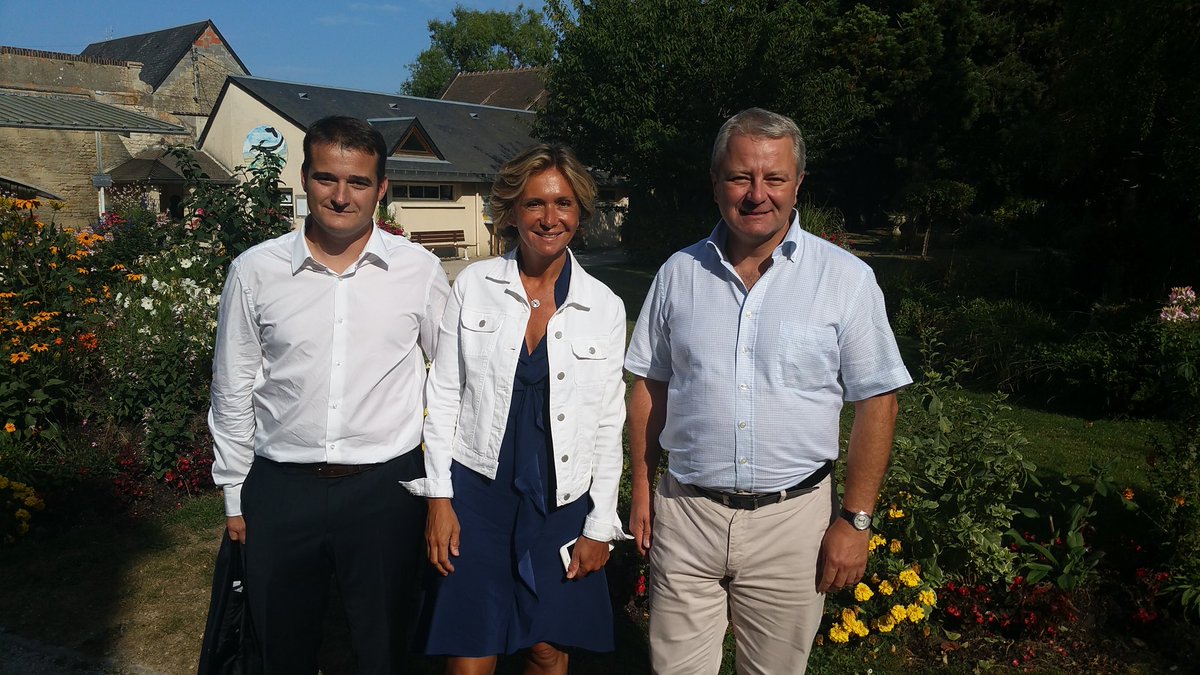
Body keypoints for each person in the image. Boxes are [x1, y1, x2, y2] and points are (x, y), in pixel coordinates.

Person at [624, 107, 912, 675]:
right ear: (716, 184)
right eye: (740, 177)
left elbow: (878, 401)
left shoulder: (845, 279)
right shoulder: (677, 275)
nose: (758, 194)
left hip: (792, 523)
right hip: (686, 512)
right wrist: (640, 485)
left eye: (774, 178)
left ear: (798, 183)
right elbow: (649, 387)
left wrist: (855, 521)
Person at [209, 115, 450, 673]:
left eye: (359, 182)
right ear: (304, 178)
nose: (341, 197)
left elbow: (451, 378)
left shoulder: (418, 271)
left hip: (384, 489)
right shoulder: (255, 271)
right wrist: (233, 491)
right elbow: (232, 386)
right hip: (280, 489)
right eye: (326, 179)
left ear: (381, 189)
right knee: (276, 645)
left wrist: (441, 485)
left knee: (384, 647)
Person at [403, 143, 628, 675]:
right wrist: (439, 498)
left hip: (562, 496)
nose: (550, 218)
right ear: (511, 212)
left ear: (580, 212)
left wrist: (601, 523)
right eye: (534, 204)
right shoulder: (474, 286)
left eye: (564, 204)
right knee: (471, 647)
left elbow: (607, 420)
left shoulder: (605, 305)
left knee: (547, 646)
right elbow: (445, 394)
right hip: (478, 493)